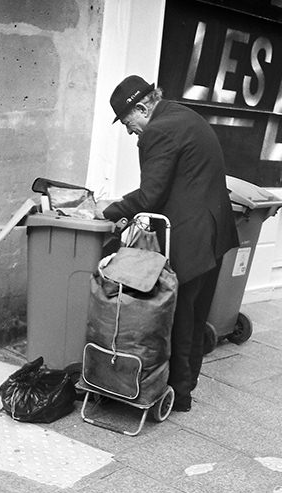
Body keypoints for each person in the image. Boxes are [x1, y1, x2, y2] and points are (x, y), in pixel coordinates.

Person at [99, 75, 238, 411]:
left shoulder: (159, 131)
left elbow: (151, 194)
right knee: (195, 311)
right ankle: (185, 389)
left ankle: (177, 393)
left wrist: (108, 210)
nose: (130, 131)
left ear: (142, 107)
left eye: (128, 122)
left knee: (179, 317)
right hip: (213, 232)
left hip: (190, 237)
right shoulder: (183, 115)